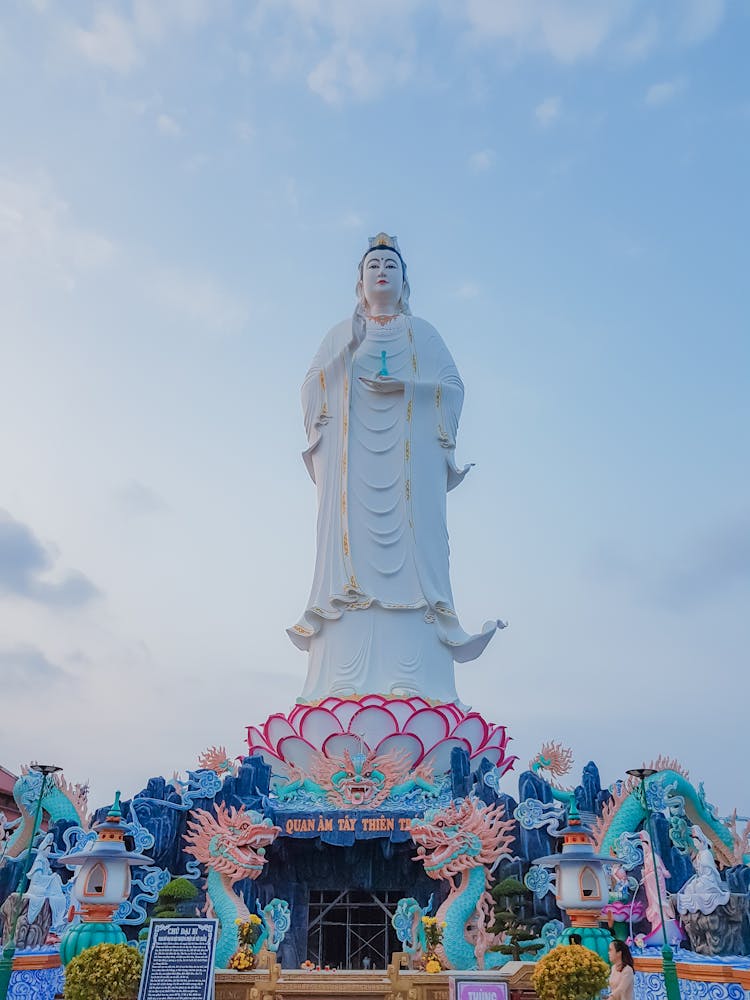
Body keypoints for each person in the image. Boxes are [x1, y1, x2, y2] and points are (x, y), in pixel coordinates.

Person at [289, 233, 503, 703]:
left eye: (391, 264)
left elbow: (453, 389)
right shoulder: (340, 336)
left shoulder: (421, 334)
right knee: (349, 575)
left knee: (413, 569)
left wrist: (407, 388)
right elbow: (311, 389)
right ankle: (339, 682)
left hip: (411, 480)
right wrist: (346, 366)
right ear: (360, 282)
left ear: (405, 280)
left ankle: (417, 683)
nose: (381, 271)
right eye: (372, 266)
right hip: (351, 475)